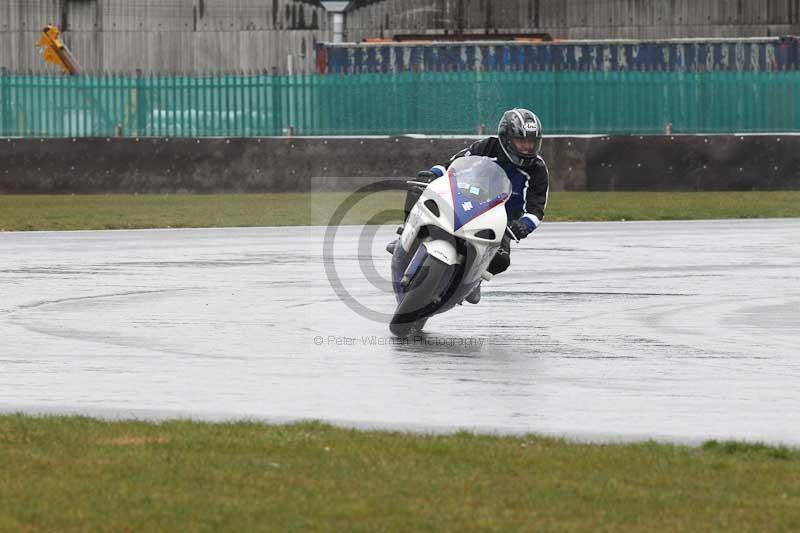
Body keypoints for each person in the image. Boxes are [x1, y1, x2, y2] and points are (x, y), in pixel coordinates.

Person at [400, 108, 550, 304]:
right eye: (521, 142)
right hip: (467, 200)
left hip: (501, 220)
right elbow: (454, 162)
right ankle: (406, 232)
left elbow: (537, 209)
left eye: (531, 142)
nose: (527, 148)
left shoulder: (537, 169)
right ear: (506, 138)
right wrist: (434, 173)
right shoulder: (486, 147)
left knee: (501, 260)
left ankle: (474, 279)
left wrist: (523, 225)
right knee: (417, 189)